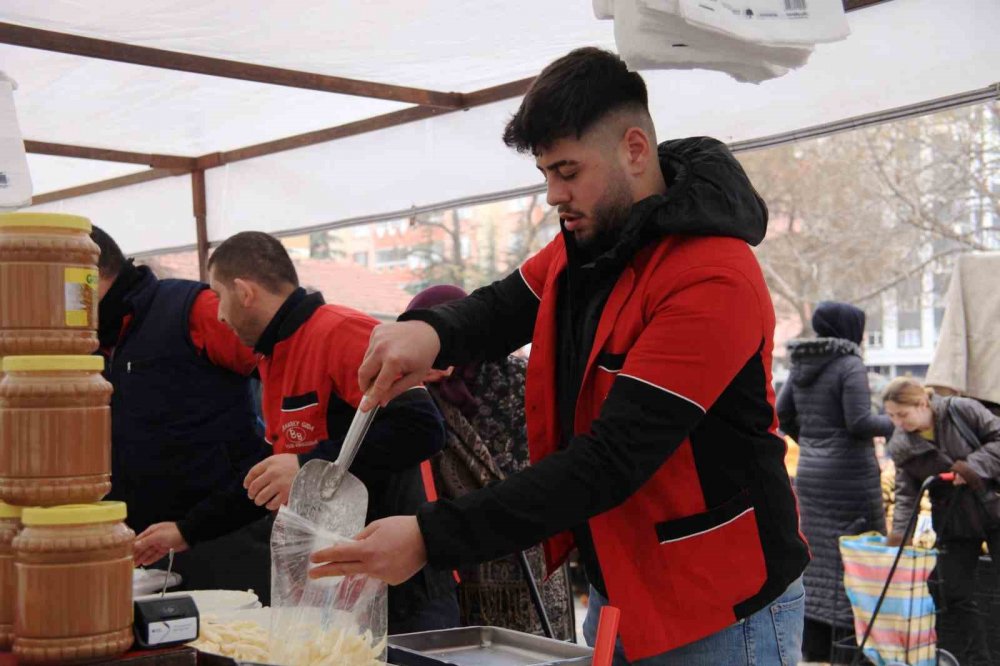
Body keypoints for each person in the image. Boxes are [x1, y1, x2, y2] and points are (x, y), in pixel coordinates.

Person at [310, 47, 809, 665]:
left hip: (718, 606)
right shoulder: (591, 242)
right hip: (621, 583)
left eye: (568, 172)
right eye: (546, 174)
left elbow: (611, 460)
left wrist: (430, 537)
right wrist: (429, 332)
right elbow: (504, 305)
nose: (554, 195)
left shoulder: (713, 277)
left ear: (633, 149)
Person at [206, 231, 459, 634]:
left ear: (243, 291)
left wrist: (310, 467)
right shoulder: (275, 358)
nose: (219, 315)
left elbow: (422, 427)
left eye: (218, 295)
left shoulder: (338, 331)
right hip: (335, 594)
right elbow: (278, 479)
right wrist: (186, 532)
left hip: (399, 595)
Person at [91, 227, 272, 595]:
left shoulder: (193, 310)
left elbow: (284, 363)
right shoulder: (81, 342)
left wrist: (285, 456)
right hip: (139, 548)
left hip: (223, 540)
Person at [406, 284, 576, 640]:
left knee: (529, 649)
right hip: (466, 546)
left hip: (517, 538)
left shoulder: (521, 377)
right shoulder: (420, 396)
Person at [776, 301, 894, 663]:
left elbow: (782, 414)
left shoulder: (802, 365)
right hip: (850, 478)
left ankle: (815, 645)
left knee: (820, 559)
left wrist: (812, 443)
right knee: (857, 556)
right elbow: (859, 421)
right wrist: (894, 424)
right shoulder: (850, 364)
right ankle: (854, 649)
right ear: (851, 329)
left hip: (812, 476)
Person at [883, 377, 1000, 665]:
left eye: (903, 414)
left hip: (995, 508)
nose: (898, 423)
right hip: (953, 520)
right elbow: (906, 493)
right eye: (890, 416)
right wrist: (899, 538)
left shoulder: (960, 410)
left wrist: (972, 468)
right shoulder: (902, 445)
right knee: (955, 593)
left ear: (923, 404)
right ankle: (978, 660)